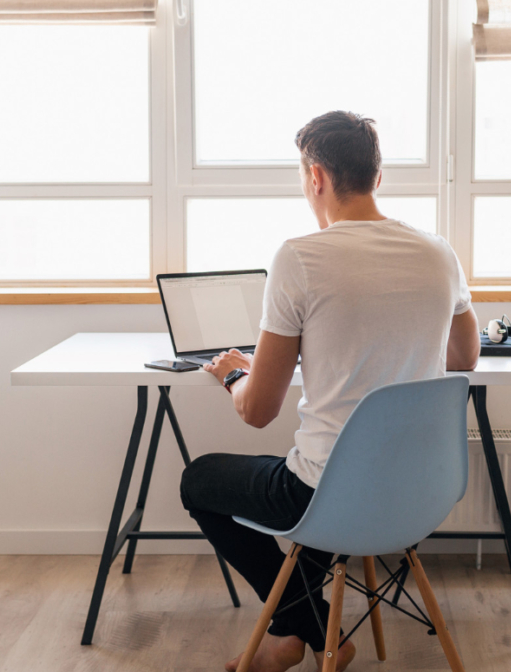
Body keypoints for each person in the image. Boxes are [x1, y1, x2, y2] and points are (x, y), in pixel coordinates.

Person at [180, 111, 480, 672]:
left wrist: (231, 374)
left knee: (199, 480)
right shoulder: (439, 252)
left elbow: (258, 412)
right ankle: (298, 636)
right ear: (378, 177)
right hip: (419, 492)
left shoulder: (300, 259)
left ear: (316, 177)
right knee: (329, 473)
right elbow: (464, 356)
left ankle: (311, 632)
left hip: (327, 495)